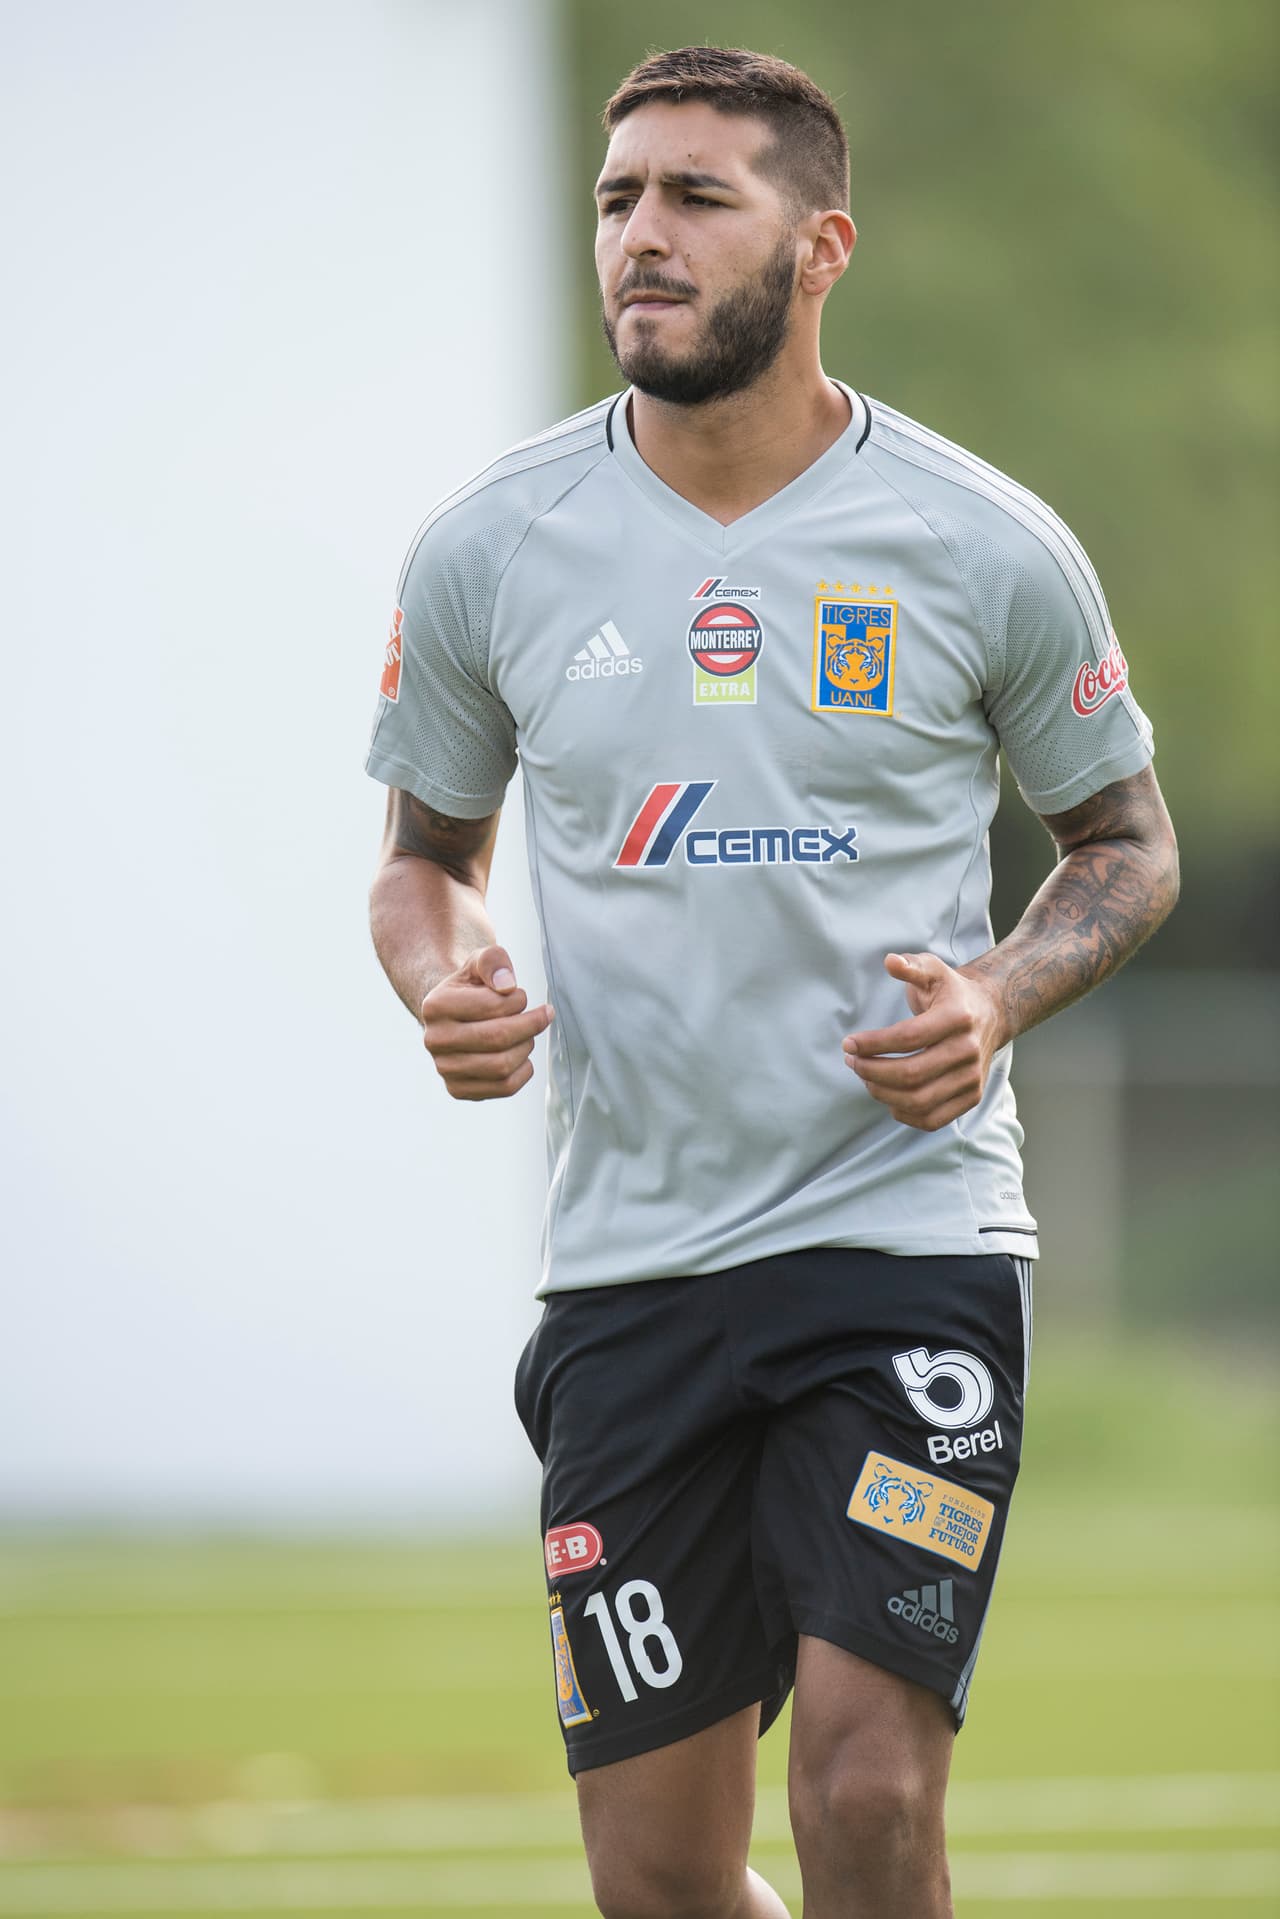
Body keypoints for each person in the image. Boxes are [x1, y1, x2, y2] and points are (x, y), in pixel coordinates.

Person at [366, 44, 1178, 1919]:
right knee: (658, 1874)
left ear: (821, 248)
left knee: (867, 1788)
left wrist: (994, 998)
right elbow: (424, 863)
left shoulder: (980, 540)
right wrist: (442, 978)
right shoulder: (495, 545)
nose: (639, 237)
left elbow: (1127, 844)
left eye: (695, 198)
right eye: (617, 198)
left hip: (902, 1247)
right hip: (630, 1273)